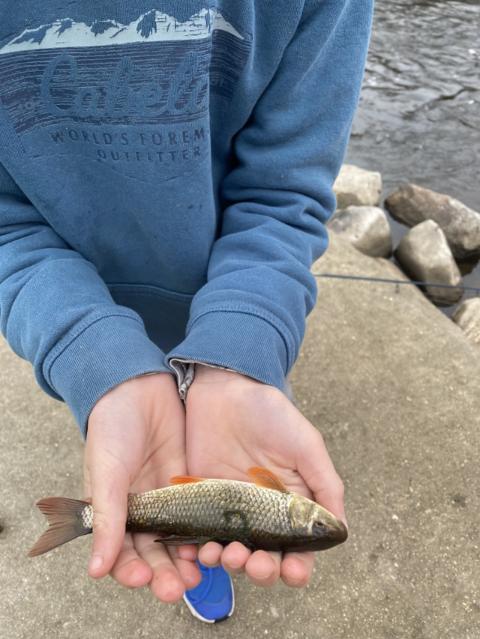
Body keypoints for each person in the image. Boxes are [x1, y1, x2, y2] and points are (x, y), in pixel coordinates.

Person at [0, 0, 373, 624]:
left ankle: (197, 551)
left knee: (196, 436)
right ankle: (180, 530)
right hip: (84, 300)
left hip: (225, 296)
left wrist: (243, 349)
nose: (315, 521)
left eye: (312, 526)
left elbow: (283, 193)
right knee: (129, 426)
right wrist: (96, 363)